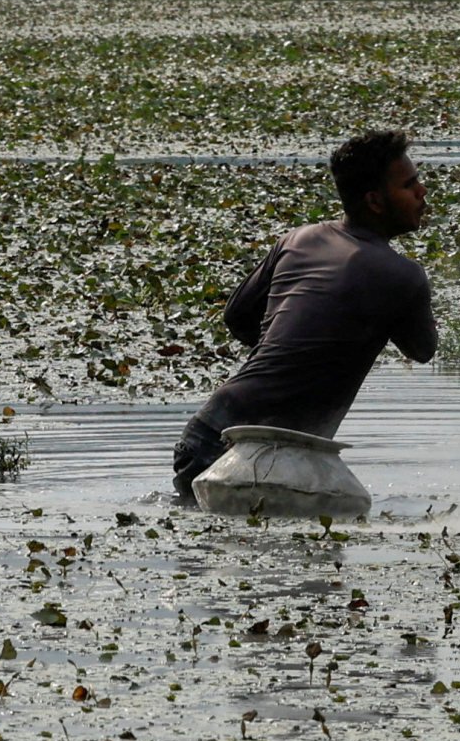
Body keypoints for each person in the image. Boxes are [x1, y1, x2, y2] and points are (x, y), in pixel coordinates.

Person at [171, 128, 437, 501]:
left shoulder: (298, 239)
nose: (421, 192)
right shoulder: (403, 276)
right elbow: (422, 349)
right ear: (376, 201)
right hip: (274, 457)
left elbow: (238, 319)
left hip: (208, 432)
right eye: (410, 185)